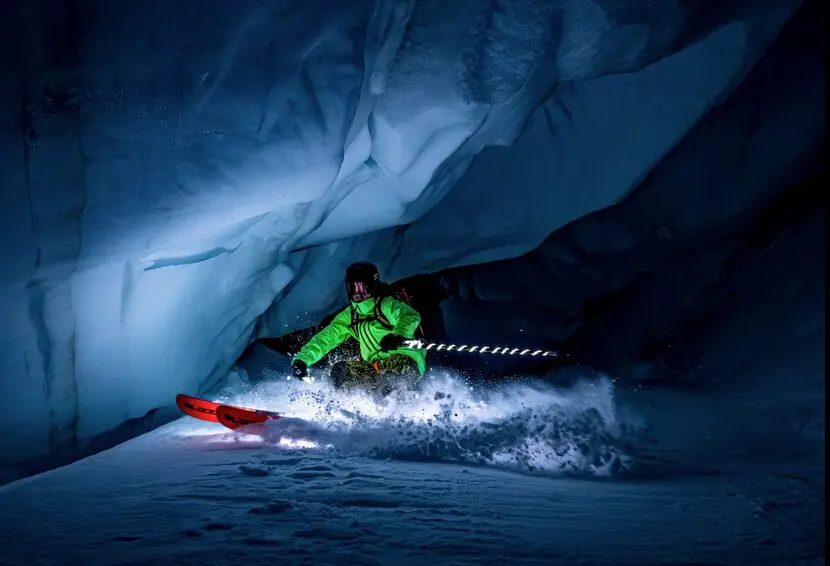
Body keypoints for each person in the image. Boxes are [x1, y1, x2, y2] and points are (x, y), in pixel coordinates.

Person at [290, 262, 427, 394]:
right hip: (374, 366)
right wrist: (302, 360)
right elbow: (326, 338)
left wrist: (397, 335)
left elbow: (409, 316)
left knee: (390, 376)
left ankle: (397, 407)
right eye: (353, 288)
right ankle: (349, 407)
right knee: (341, 371)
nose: (358, 293)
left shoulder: (386, 305)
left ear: (373, 287)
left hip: (404, 359)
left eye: (362, 288)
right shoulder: (350, 315)